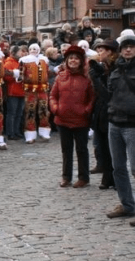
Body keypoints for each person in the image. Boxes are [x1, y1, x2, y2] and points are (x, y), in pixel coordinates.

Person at [49, 45, 95, 188]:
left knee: (81, 149)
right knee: (66, 150)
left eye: (76, 58)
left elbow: (92, 98)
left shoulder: (87, 78)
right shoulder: (61, 76)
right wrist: (56, 109)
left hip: (80, 119)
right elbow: (53, 96)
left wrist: (86, 111)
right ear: (67, 60)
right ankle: (66, 177)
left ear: (81, 61)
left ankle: (83, 177)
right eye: (71, 58)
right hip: (63, 119)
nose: (73, 61)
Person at [105, 30, 135, 222]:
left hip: (133, 125)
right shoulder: (115, 70)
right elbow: (108, 94)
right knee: (118, 168)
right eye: (125, 47)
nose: (129, 50)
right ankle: (127, 205)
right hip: (114, 123)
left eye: (132, 47)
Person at [89, 38, 119, 189]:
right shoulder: (105, 67)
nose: (99, 53)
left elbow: (108, 95)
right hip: (101, 112)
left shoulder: (116, 69)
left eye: (102, 50)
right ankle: (107, 177)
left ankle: (113, 178)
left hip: (111, 113)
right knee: (102, 147)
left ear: (110, 52)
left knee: (111, 149)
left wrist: (96, 79)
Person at [19, 43, 52, 143]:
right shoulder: (24, 60)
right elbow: (20, 73)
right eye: (31, 49)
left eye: (35, 48)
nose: (33, 50)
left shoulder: (44, 60)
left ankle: (44, 132)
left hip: (42, 89)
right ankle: (30, 133)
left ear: (39, 50)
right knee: (30, 111)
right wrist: (20, 77)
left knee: (43, 110)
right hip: (30, 90)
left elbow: (47, 72)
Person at [4, 45, 26, 140]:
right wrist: (14, 75)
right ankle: (10, 132)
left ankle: (17, 131)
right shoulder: (9, 63)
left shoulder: (20, 62)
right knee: (12, 113)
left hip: (21, 91)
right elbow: (6, 77)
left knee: (19, 113)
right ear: (13, 53)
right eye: (20, 52)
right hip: (12, 92)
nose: (21, 54)